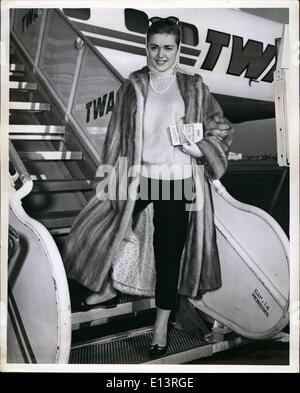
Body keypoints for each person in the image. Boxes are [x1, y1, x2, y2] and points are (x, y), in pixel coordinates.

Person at [63, 16, 234, 359]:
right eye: (154, 47)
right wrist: (111, 179)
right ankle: (107, 286)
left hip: (178, 182)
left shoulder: (194, 87)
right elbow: (116, 138)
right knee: (107, 224)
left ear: (178, 49)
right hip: (139, 177)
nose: (160, 54)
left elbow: (222, 128)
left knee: (168, 255)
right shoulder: (133, 86)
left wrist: (199, 149)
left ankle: (160, 325)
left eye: (168, 48)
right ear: (146, 47)